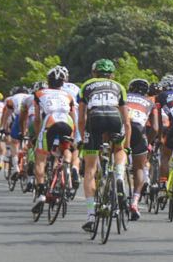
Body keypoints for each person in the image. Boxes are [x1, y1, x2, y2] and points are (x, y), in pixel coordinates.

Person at [79, 59, 128, 234]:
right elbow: (126, 120)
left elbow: (81, 118)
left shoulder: (86, 85)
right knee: (119, 150)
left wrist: (83, 138)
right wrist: (126, 145)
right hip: (114, 117)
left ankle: (91, 215)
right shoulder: (119, 86)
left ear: (94, 73)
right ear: (112, 75)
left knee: (90, 170)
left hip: (95, 118)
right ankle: (119, 175)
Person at [31, 68, 77, 217]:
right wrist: (74, 138)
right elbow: (74, 118)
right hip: (67, 122)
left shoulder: (39, 93)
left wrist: (37, 135)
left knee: (40, 158)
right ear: (63, 83)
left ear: (48, 81)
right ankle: (67, 169)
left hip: (50, 121)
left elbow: (37, 119)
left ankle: (41, 193)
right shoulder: (68, 95)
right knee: (66, 148)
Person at [124, 78, 155, 218]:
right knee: (139, 168)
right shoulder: (150, 102)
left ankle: (117, 181)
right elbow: (155, 128)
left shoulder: (124, 96)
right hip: (139, 130)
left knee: (117, 158)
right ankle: (135, 202)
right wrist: (148, 141)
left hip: (123, 127)